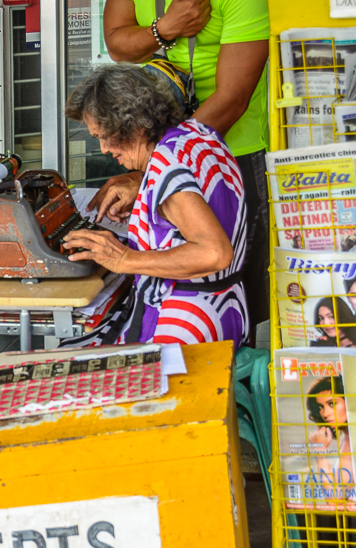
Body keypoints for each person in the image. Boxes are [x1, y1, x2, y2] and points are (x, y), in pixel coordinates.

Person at [96, 0, 270, 335]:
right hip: (163, 152)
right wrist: (164, 30)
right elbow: (117, 44)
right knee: (166, 285)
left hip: (227, 156)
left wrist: (154, 168)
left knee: (228, 290)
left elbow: (233, 98)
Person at [60, 63, 247, 348]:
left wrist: (124, 259)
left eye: (101, 137)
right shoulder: (199, 135)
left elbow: (214, 253)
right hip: (227, 309)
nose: (104, 150)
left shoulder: (165, 167)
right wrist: (145, 212)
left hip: (186, 324)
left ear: (131, 126)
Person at [305, 376, 354, 504]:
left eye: (332, 404)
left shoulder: (353, 439)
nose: (325, 414)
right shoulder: (347, 437)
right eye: (320, 407)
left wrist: (319, 449)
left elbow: (334, 501)